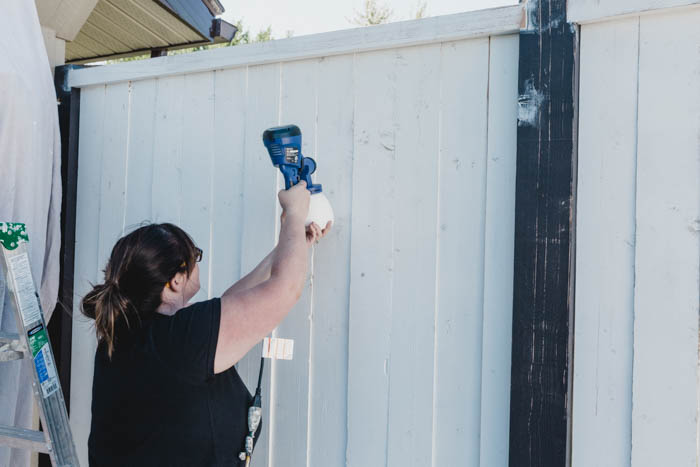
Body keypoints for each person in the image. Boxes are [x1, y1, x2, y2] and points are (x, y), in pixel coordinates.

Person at [82, 180, 331, 466]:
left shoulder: (130, 335)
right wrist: (296, 213)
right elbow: (284, 290)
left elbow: (231, 307)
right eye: (195, 256)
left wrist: (291, 241)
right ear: (176, 279)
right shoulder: (180, 341)